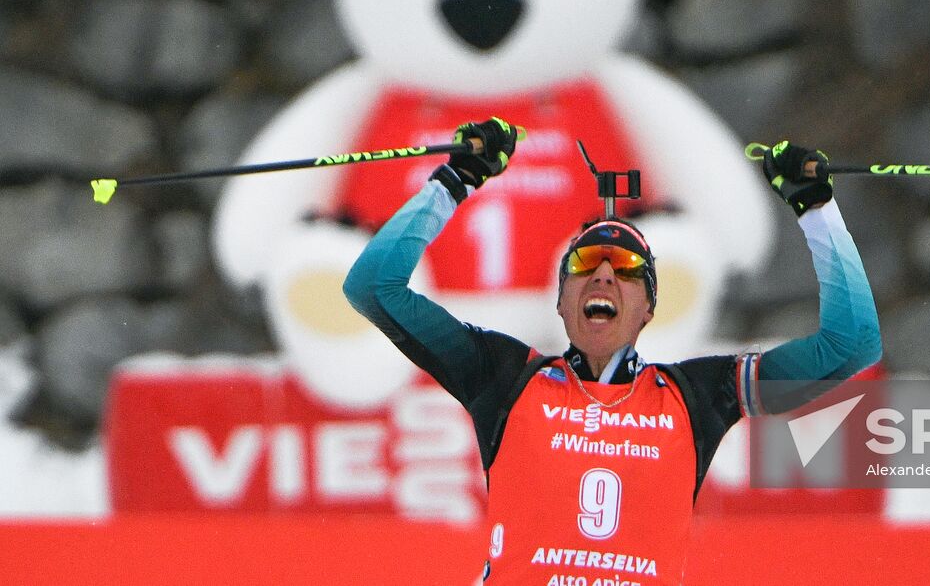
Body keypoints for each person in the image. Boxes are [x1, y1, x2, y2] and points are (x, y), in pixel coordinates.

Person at [343, 119, 882, 585]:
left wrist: (816, 210)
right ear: (560, 301)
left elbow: (851, 345)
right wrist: (453, 182)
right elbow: (373, 287)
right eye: (585, 265)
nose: (603, 273)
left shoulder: (697, 395)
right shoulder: (505, 375)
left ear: (648, 308)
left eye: (625, 270)